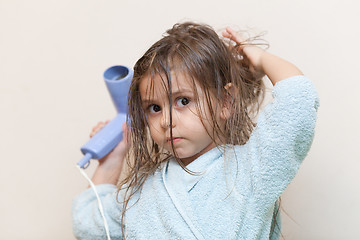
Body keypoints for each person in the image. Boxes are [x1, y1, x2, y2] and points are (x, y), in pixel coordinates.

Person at [72, 22, 319, 240]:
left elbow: (297, 99)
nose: (166, 121)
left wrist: (261, 59)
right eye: (154, 107)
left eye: (183, 101)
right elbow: (89, 225)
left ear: (226, 102)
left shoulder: (252, 168)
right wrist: (111, 162)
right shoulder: (143, 191)